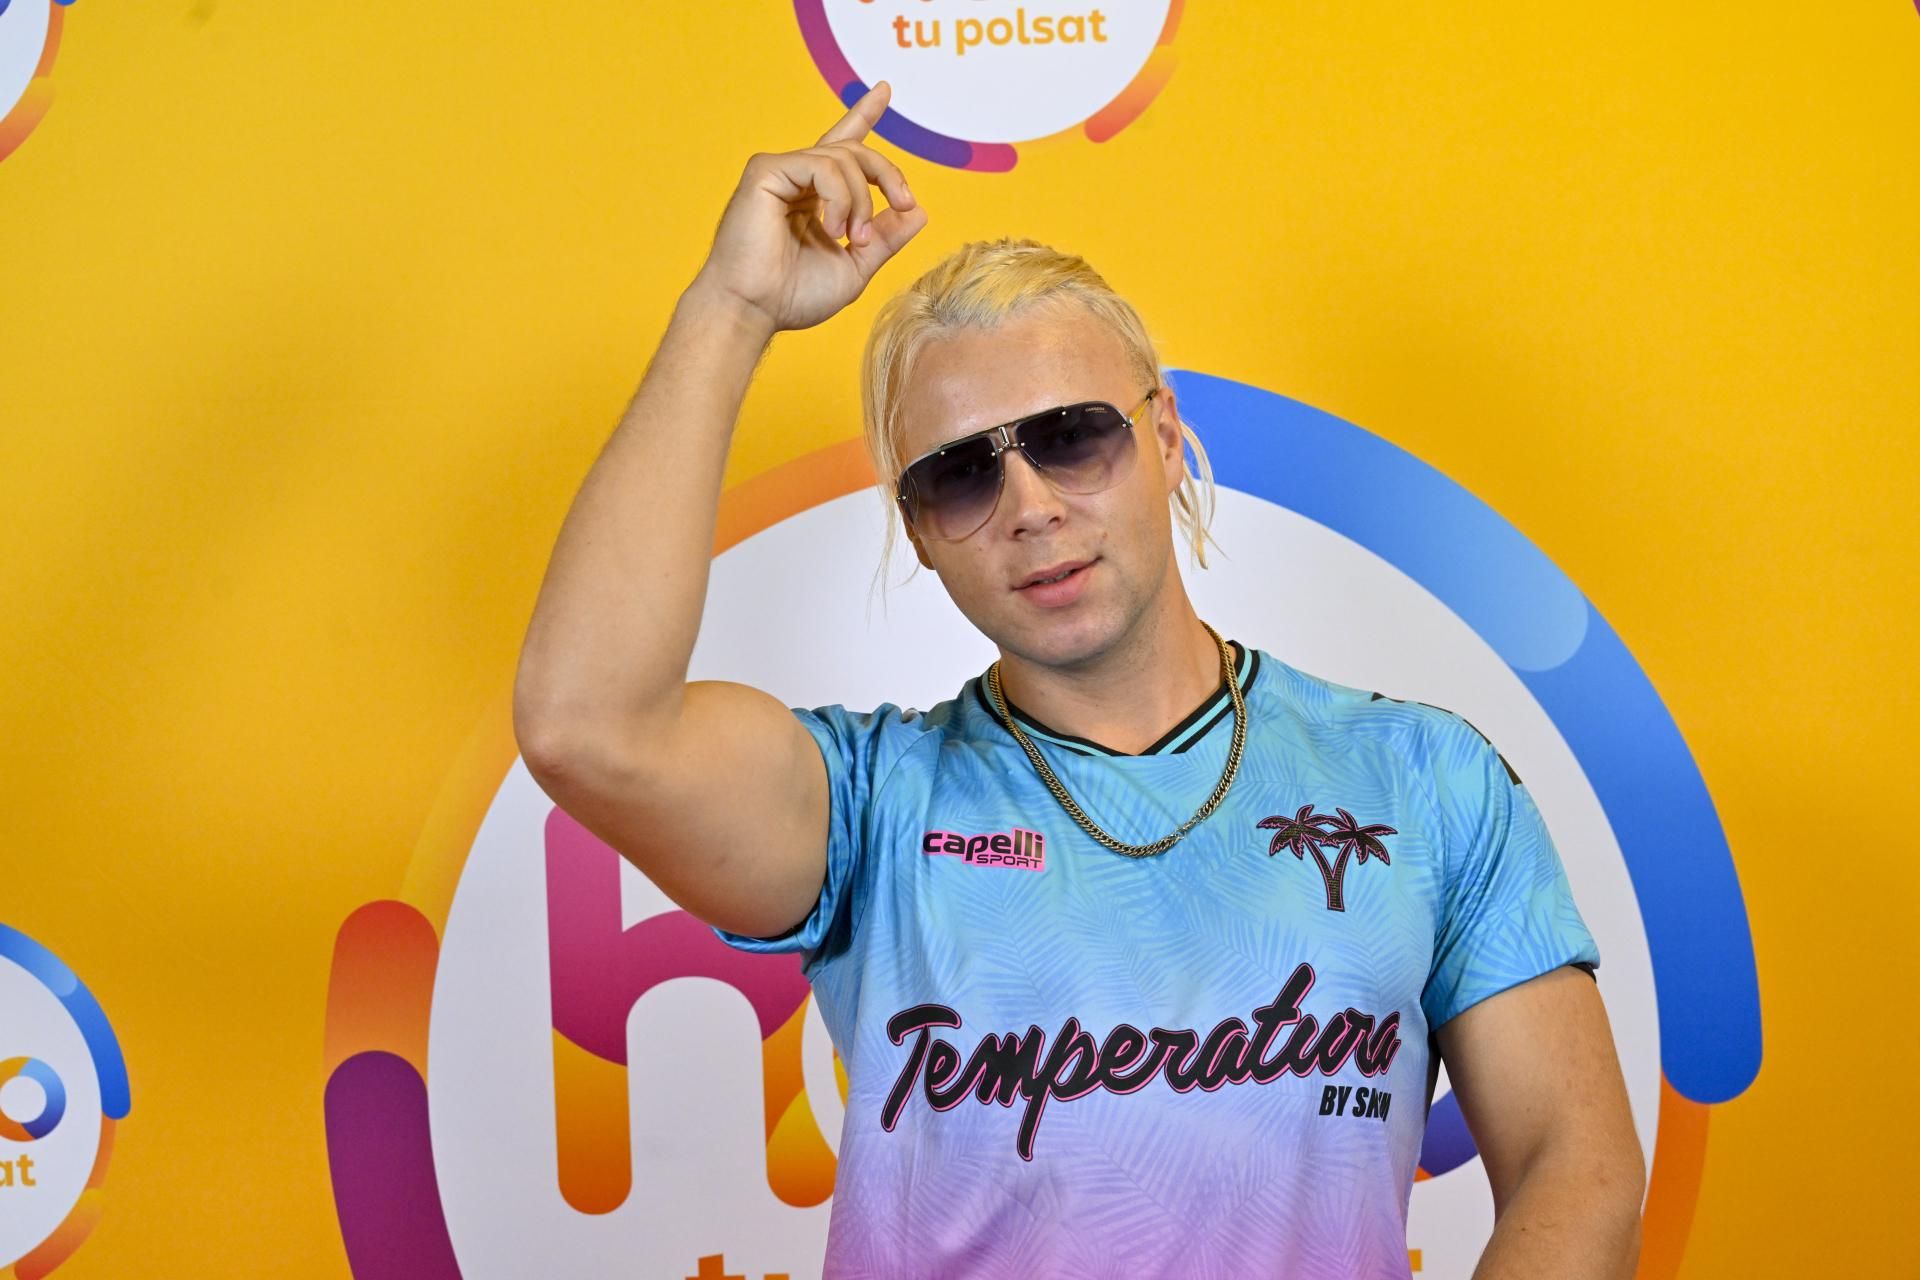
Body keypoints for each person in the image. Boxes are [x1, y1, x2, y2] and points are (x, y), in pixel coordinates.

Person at [513, 81, 1645, 1279]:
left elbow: (1576, 1165)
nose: (1031, 505)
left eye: (1072, 437)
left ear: (1164, 434)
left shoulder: (1424, 777)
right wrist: (732, 305)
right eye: (960, 475)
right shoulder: (868, 803)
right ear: (918, 529)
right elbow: (589, 726)